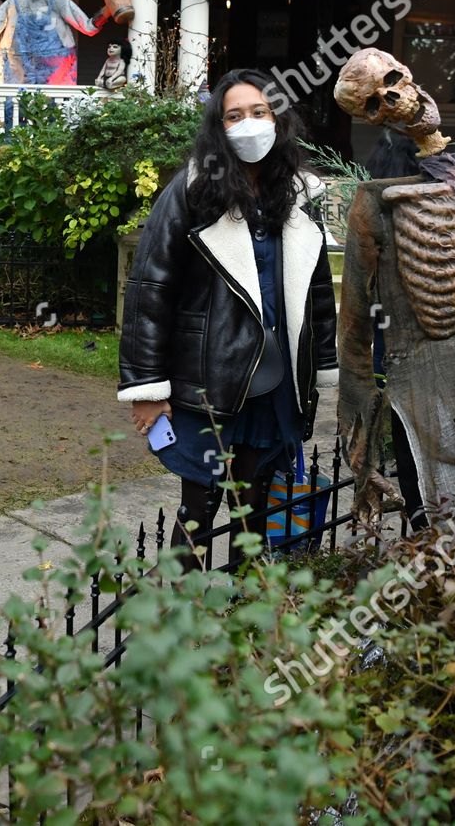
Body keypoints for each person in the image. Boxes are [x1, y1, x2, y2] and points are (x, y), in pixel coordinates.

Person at [118, 69, 338, 568]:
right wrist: (148, 389)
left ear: (278, 120)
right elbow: (149, 292)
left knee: (255, 505)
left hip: (274, 380)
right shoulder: (191, 192)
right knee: (198, 506)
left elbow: (317, 288)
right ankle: (178, 616)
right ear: (218, 128)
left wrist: (323, 367)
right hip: (208, 380)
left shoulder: (298, 196)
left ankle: (246, 608)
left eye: (259, 113)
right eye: (234, 116)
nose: (249, 124)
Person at [363, 129, 427, 533]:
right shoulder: (428, 213)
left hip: (392, 350)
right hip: (431, 348)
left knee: (407, 443)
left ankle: (420, 521)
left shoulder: (374, 220)